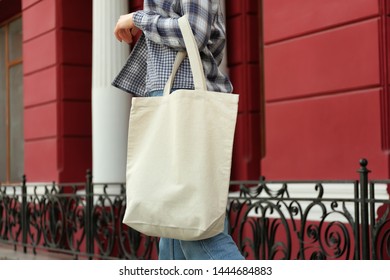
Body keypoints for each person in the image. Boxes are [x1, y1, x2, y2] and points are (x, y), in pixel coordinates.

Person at [112, 0, 244, 260]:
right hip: (170, 98)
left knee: (199, 234)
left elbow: (195, 32)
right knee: (172, 224)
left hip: (183, 98)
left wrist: (138, 19)